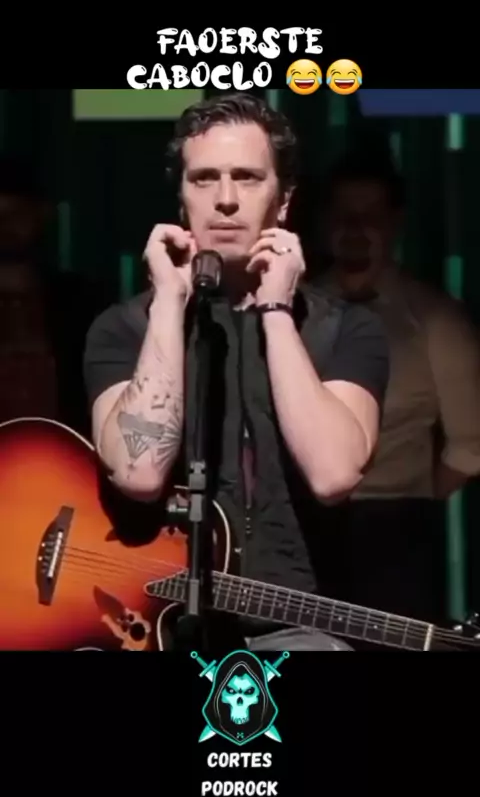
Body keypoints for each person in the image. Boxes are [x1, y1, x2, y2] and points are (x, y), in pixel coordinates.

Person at [83, 93, 390, 652]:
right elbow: (138, 473)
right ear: (181, 199)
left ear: (284, 200)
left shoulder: (346, 329)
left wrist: (275, 309)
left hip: (294, 626)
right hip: (147, 621)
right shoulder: (123, 328)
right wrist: (169, 303)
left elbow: (333, 475)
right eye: (204, 179)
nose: (225, 199)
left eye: (247, 178)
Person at [313, 151, 480, 625]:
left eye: (370, 216)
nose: (355, 229)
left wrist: (408, 500)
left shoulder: (435, 319)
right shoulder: (293, 309)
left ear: (395, 224)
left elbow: (471, 446)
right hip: (304, 529)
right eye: (344, 215)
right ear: (325, 223)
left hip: (397, 536)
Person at [0, 154, 109, 436]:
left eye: (17, 214)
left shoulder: (82, 303)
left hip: (68, 454)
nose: (5, 225)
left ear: (41, 214)